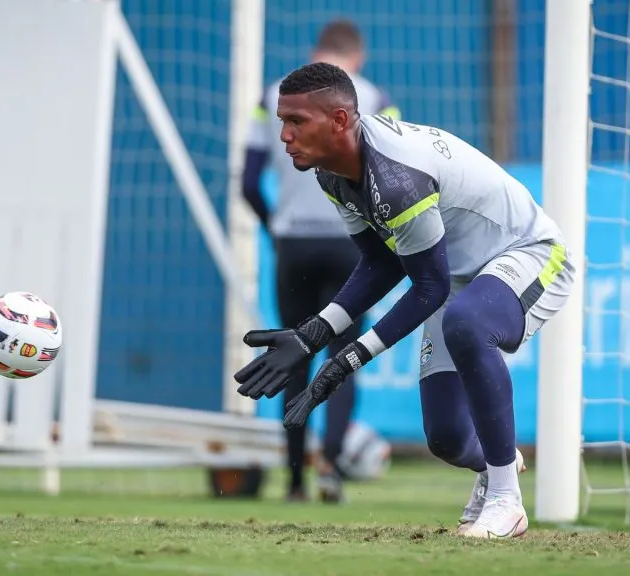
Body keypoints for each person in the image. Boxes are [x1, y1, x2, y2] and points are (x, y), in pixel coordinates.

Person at [233, 62, 575, 539]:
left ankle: (506, 501)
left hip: (527, 253)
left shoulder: (395, 178)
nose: (285, 136)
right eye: (282, 122)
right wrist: (314, 334)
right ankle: (499, 463)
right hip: (456, 276)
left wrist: (348, 358)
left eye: (296, 122)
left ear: (337, 121)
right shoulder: (331, 173)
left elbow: (428, 287)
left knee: (465, 322)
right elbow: (381, 261)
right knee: (448, 439)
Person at [240, 20, 400, 504]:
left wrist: (275, 229)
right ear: (359, 56)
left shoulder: (272, 96)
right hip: (352, 247)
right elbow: (393, 173)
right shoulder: (373, 98)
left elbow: (247, 181)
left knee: (293, 356)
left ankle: (292, 481)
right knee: (344, 356)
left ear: (317, 51)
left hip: (294, 246)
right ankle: (330, 469)